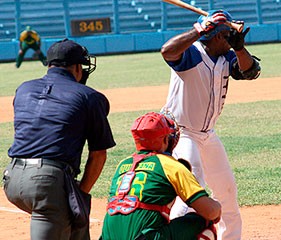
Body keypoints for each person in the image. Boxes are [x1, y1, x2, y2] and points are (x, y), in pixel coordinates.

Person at [160, 9, 261, 240]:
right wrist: (198, 30)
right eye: (227, 35)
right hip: (181, 133)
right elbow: (167, 51)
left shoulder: (227, 56)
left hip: (208, 135)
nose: (231, 39)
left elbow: (251, 71)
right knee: (192, 191)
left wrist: (239, 47)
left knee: (227, 191)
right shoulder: (192, 54)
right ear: (216, 36)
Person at [2, 38, 116, 240]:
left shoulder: (24, 89)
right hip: (46, 185)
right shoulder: (89, 96)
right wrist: (80, 195)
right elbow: (99, 154)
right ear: (77, 67)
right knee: (65, 211)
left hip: (12, 178)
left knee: (75, 228)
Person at [101, 111, 221, 240]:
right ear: (164, 139)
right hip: (145, 237)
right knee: (204, 223)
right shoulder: (169, 165)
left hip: (108, 237)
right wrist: (217, 208)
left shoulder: (123, 164)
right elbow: (209, 211)